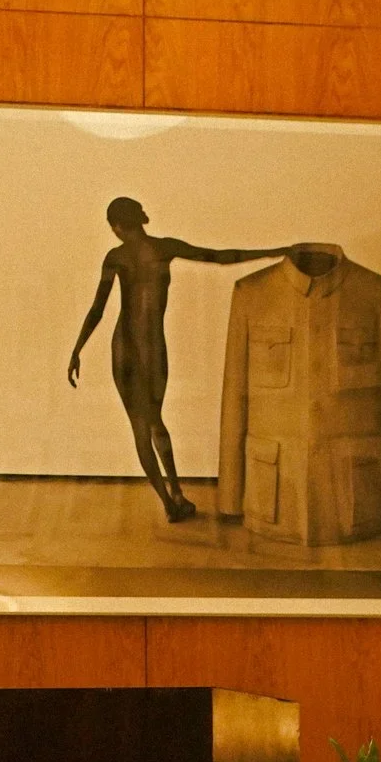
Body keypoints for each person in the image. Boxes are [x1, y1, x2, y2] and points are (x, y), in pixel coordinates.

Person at [68, 198, 291, 522]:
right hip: (149, 346)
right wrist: (275, 251)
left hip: (128, 347)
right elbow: (219, 258)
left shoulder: (117, 257)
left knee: (144, 425)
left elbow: (97, 309)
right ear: (138, 219)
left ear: (117, 226)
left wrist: (77, 349)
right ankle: (172, 496)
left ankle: (173, 496)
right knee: (152, 421)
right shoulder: (162, 249)